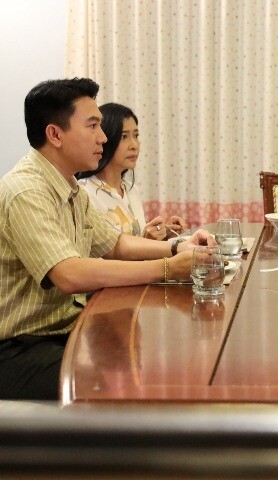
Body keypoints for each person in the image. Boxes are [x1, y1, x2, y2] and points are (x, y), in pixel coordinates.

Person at [0, 78, 213, 400]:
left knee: (154, 350)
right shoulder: (26, 191)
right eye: (92, 126)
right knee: (125, 379)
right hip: (20, 347)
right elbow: (69, 274)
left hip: (64, 328)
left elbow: (116, 244)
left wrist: (177, 246)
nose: (103, 137)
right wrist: (168, 268)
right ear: (55, 134)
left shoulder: (70, 187)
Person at [76, 102, 187, 240]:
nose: (134, 145)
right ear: (105, 140)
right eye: (124, 137)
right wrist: (147, 241)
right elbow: (101, 251)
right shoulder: (84, 192)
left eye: (136, 136)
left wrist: (164, 234)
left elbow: (138, 239)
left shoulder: (131, 189)